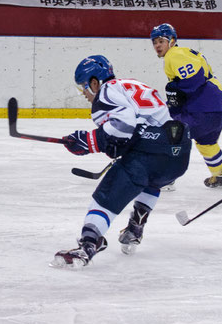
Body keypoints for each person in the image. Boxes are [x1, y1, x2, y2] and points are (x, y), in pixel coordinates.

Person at [52, 56, 191, 268]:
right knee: (151, 181)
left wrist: (89, 141)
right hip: (179, 154)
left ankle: (88, 245)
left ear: (95, 82)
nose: (84, 94)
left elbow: (123, 125)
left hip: (149, 153)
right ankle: (135, 228)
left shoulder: (105, 92)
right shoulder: (131, 85)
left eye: (84, 87)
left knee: (105, 198)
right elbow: (141, 126)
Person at [151, 23, 222, 188]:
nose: (157, 45)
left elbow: (194, 79)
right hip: (217, 108)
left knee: (168, 134)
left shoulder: (174, 55)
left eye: (161, 41)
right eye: (154, 42)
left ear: (172, 41)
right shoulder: (183, 52)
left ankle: (166, 179)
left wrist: (175, 92)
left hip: (202, 109)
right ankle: (221, 175)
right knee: (206, 142)